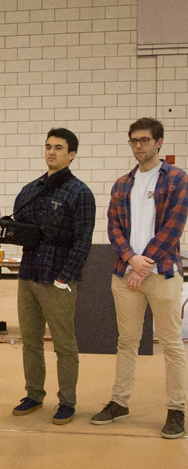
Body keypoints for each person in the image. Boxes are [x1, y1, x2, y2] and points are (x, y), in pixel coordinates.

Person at [0, 128, 96, 425]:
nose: (51, 152)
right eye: (48, 146)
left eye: (58, 148)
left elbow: (82, 241)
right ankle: (34, 394)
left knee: (64, 344)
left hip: (57, 279)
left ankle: (67, 401)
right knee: (31, 341)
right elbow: (20, 227)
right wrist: (2, 229)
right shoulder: (31, 189)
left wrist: (65, 277)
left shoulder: (80, 193)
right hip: (29, 275)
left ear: (71, 154)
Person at [93, 117, 188, 438]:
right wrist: (131, 260)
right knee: (127, 342)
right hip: (125, 275)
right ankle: (120, 402)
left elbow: (174, 227)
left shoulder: (177, 179)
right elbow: (113, 227)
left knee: (172, 345)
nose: (138, 146)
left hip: (162, 273)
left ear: (159, 142)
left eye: (144, 140)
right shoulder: (122, 184)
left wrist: (144, 264)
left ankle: (177, 410)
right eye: (133, 141)